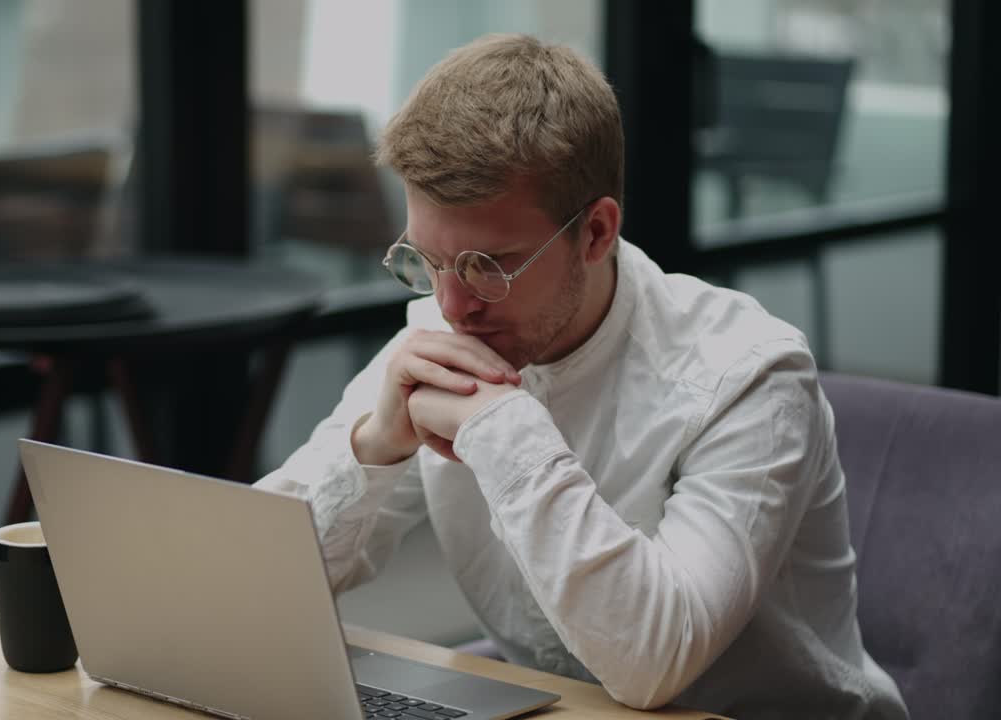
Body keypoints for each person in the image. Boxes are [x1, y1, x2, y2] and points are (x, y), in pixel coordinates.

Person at [255, 33, 907, 719]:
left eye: (489, 265)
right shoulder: (445, 332)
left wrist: (503, 434)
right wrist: (373, 448)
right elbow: (245, 583)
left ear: (596, 232)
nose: (450, 304)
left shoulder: (750, 378)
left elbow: (653, 663)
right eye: (426, 260)